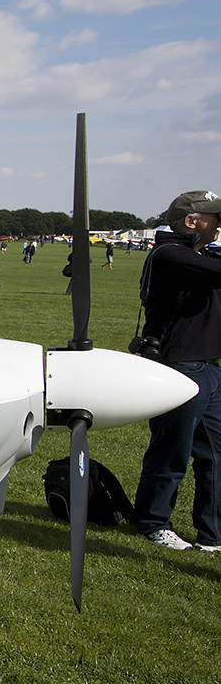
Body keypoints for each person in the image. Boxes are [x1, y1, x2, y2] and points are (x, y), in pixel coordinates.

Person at [131, 190, 221, 551]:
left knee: (215, 455)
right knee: (172, 452)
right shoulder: (170, 255)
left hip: (209, 368)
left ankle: (212, 534)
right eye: (215, 217)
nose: (218, 225)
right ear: (192, 221)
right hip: (181, 366)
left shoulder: (196, 254)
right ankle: (153, 523)